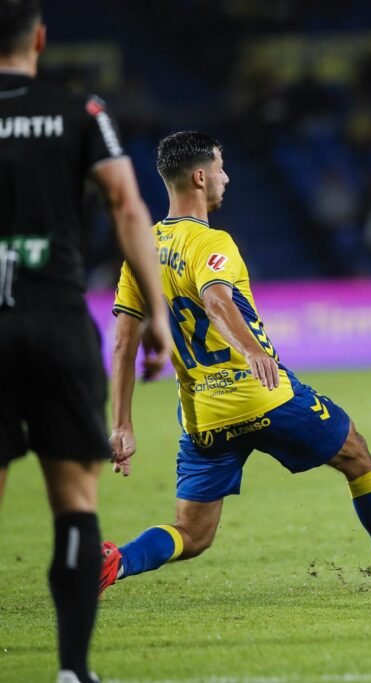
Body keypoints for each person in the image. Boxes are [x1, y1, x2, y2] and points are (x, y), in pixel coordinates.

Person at [100, 131, 371, 594]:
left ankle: (116, 562)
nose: (226, 176)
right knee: (356, 454)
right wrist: (254, 352)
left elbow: (123, 342)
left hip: (204, 416)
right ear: (200, 177)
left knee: (192, 533)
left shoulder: (141, 248)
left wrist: (122, 423)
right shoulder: (210, 243)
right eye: (220, 167)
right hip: (263, 394)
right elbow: (218, 301)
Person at [0, 2, 172, 681]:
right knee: (74, 500)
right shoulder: (80, 110)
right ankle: (73, 670)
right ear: (39, 38)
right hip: (55, 318)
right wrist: (156, 313)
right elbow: (128, 206)